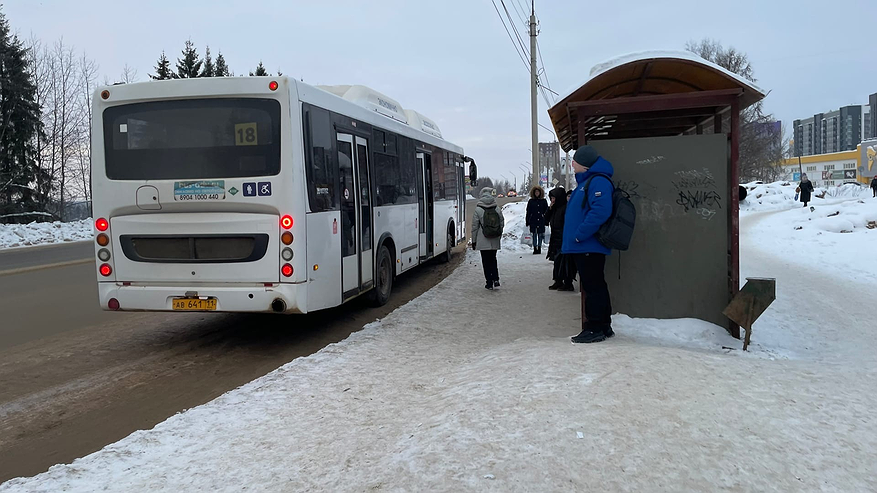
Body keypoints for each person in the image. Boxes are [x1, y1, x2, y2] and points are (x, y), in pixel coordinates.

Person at [563, 145, 615, 344]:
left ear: (583, 164)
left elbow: (600, 212)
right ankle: (603, 325)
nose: (572, 164)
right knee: (595, 285)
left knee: (593, 287)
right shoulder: (589, 181)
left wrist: (579, 235)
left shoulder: (598, 181)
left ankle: (595, 328)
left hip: (588, 245)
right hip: (585, 245)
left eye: (574, 161)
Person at [471, 187, 505, 290]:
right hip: (494, 238)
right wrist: (498, 233)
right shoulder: (496, 208)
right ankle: (496, 278)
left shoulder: (478, 209)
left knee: (486, 261)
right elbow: (501, 222)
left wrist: (474, 241)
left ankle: (489, 282)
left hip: (483, 239)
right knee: (493, 259)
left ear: (481, 195)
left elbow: (474, 227)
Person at [544, 186, 575, 291]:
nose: (552, 200)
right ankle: (558, 280)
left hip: (563, 238)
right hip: (555, 238)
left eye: (554, 198)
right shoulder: (555, 209)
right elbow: (545, 220)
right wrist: (550, 208)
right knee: (557, 261)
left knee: (565, 262)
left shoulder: (565, 208)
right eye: (551, 198)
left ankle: (567, 282)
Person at [526, 186, 548, 254]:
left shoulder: (543, 201)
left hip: (541, 220)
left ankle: (539, 247)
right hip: (533, 220)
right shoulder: (531, 201)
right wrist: (527, 221)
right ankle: (535, 248)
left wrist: (546, 221)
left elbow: (546, 211)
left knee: (540, 234)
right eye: (536, 192)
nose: (537, 193)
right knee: (534, 234)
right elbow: (528, 211)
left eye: (538, 192)